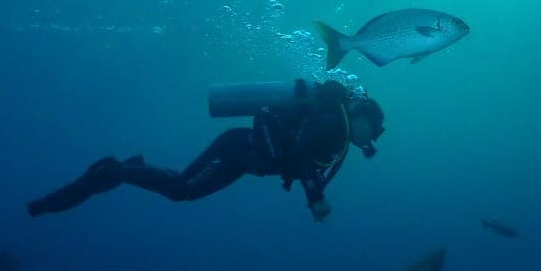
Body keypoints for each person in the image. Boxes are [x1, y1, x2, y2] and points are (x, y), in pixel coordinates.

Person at [27, 80, 384, 221]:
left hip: (245, 157)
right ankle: (119, 171)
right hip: (237, 147)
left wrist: (312, 190)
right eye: (373, 129)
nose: (371, 139)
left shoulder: (336, 134)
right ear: (361, 115)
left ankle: (130, 168)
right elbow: (297, 158)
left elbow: (297, 157)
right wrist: (315, 196)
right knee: (182, 188)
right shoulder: (332, 125)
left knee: (184, 190)